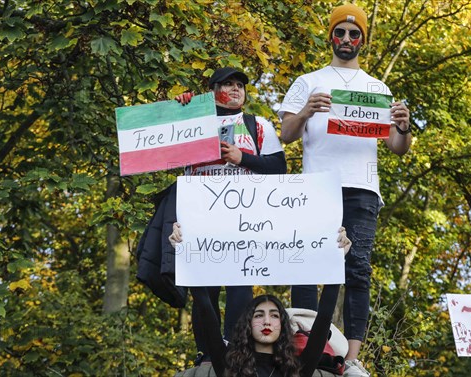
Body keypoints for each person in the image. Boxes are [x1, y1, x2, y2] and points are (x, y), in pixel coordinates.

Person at [277, 4, 413, 377]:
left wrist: (402, 126)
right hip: (314, 187)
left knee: (357, 268)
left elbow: (397, 148)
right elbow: (286, 135)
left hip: (362, 188)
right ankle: (304, 344)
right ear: (331, 37)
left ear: (363, 41)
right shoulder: (308, 81)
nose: (347, 39)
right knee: (306, 261)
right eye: (341, 33)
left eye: (355, 35)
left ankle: (351, 357)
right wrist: (305, 111)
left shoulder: (377, 89)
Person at [174, 67, 287, 366]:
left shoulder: (257, 125)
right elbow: (162, 142)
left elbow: (279, 167)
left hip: (244, 216)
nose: (235, 89)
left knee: (240, 284)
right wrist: (180, 106)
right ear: (212, 90)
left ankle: (238, 352)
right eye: (227, 84)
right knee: (204, 287)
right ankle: (206, 354)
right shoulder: (193, 120)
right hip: (201, 214)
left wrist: (242, 158)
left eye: (240, 85)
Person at [170, 225, 352, 377]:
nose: (266, 321)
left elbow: (324, 317)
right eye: (259, 315)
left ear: (283, 325)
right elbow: (205, 309)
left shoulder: (297, 370)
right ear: (247, 324)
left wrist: (337, 260)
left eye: (274, 315)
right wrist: (186, 252)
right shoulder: (230, 368)